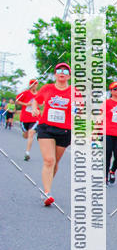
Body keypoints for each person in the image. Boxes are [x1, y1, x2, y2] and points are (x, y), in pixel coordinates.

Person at [31, 63, 77, 206]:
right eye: (59, 70)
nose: (62, 73)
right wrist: (35, 109)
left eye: (65, 71)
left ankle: (47, 185)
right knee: (49, 160)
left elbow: (79, 109)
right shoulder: (47, 88)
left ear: (69, 75)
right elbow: (36, 101)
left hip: (64, 131)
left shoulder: (74, 92)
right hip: (46, 128)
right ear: (55, 74)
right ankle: (47, 192)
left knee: (55, 163)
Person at [16, 78, 39, 160]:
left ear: (37, 85)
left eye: (35, 83)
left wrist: (37, 106)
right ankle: (25, 133)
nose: (34, 85)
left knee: (31, 133)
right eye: (32, 83)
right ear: (30, 85)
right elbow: (17, 101)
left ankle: (27, 153)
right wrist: (26, 104)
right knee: (26, 135)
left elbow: (43, 102)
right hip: (24, 118)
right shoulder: (25, 93)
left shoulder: (39, 94)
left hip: (34, 118)